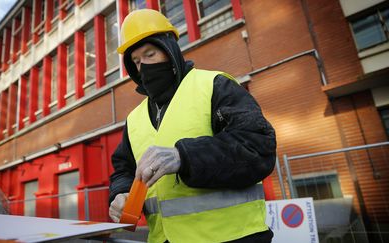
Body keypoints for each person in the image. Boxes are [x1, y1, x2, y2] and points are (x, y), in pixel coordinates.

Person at [108, 9, 276, 243]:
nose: (143, 67)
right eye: (136, 62)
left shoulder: (214, 85)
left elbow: (257, 147)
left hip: (233, 237)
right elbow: (123, 168)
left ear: (170, 51)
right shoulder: (134, 118)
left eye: (150, 54)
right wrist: (120, 192)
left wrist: (183, 157)